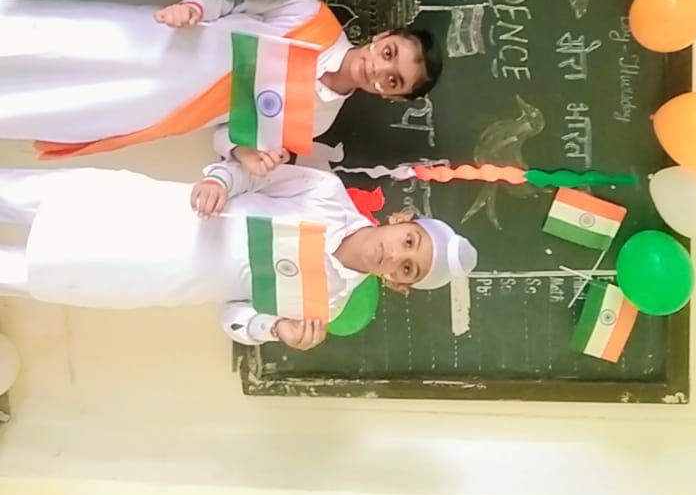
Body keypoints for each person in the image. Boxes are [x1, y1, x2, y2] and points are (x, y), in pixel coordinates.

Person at [0, 147, 477, 349]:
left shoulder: (326, 304)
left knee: (21, 272)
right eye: (408, 242)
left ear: (397, 284)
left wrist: (275, 329)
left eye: (408, 268)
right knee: (18, 195)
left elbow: (231, 316)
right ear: (401, 221)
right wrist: (220, 182)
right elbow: (251, 174)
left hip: (149, 275)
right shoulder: (326, 195)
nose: (395, 256)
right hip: (150, 208)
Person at [0, 0, 443, 165]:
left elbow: (225, 133)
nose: (379, 70)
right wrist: (194, 9)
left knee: (51, 102)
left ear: (390, 98)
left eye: (393, 81)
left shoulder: (318, 121)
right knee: (49, 40)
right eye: (389, 54)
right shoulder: (314, 17)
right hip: (162, 39)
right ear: (382, 37)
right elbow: (234, 3)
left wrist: (243, 152)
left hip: (156, 105)